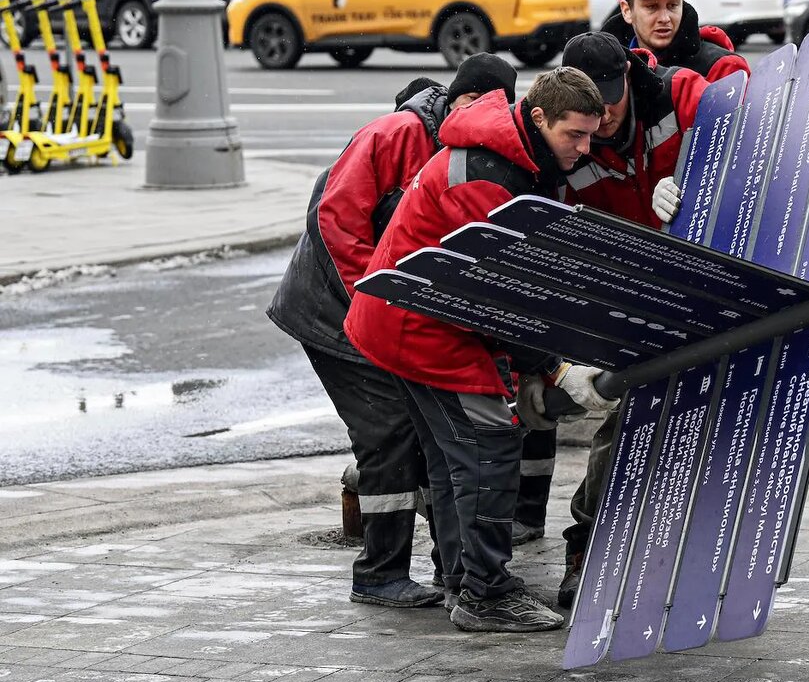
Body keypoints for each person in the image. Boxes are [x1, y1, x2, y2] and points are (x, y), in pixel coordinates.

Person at [344, 67, 621, 633]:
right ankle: (486, 593)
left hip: (415, 318)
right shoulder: (488, 181)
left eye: (592, 135)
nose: (584, 148)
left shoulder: (516, 156)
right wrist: (553, 365)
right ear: (539, 119)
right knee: (491, 445)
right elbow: (501, 294)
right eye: (575, 135)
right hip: (419, 329)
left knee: (454, 459)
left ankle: (461, 579)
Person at [266, 54, 518, 611]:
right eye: (480, 105)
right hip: (333, 313)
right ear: (461, 100)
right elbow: (336, 219)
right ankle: (379, 573)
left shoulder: (459, 155)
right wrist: (379, 303)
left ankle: (445, 567)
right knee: (389, 434)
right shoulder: (397, 133)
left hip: (375, 313)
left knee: (418, 433)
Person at [556, 31, 711, 608]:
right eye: (592, 105)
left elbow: (745, 123)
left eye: (612, 97)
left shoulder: (674, 94)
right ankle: (588, 539)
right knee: (628, 414)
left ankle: (669, 546)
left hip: (695, 279)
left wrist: (699, 181)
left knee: (696, 416)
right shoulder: (568, 141)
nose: (605, 113)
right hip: (622, 291)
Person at [602, 0, 750, 83]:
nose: (665, 18)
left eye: (672, 5)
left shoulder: (720, 67)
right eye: (652, 7)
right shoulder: (604, 65)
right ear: (627, 11)